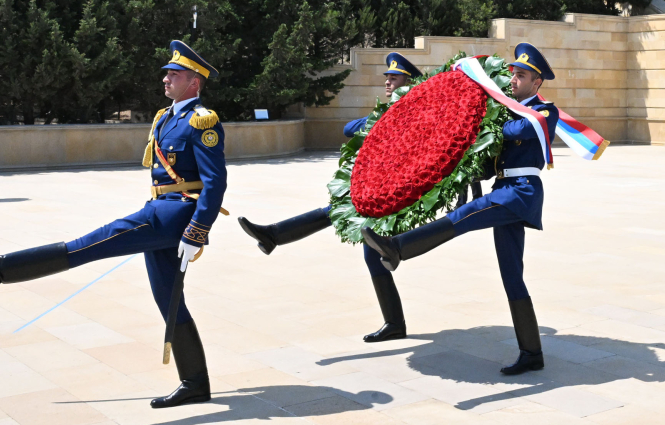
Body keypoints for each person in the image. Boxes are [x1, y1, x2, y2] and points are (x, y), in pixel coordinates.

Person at [0, 40, 227, 408]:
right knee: (167, 299)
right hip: (159, 209)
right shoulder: (167, 117)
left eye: (175, 75)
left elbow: (215, 181)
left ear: (195, 82)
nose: (166, 79)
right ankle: (195, 383)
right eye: (167, 73)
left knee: (85, 247)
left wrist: (197, 230)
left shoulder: (202, 121)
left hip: (171, 217)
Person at [362, 43, 560, 376]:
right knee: (512, 275)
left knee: (463, 217)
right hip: (504, 188)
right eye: (512, 73)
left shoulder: (543, 111)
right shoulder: (507, 107)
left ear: (537, 83)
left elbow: (515, 130)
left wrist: (486, 115)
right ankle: (532, 352)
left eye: (522, 76)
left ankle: (399, 248)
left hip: (520, 192)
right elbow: (488, 157)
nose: (513, 80)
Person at [237, 53, 423, 343]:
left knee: (350, 230)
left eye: (395, 78)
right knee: (358, 240)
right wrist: (381, 118)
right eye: (387, 77)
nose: (388, 81)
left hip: (394, 192)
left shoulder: (414, 112)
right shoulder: (388, 110)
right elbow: (349, 129)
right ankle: (394, 323)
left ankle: (274, 235)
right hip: (376, 187)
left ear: (410, 83)